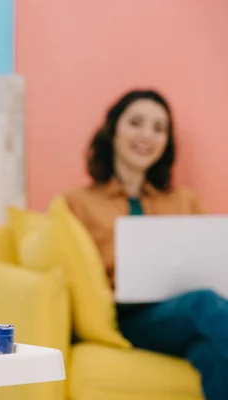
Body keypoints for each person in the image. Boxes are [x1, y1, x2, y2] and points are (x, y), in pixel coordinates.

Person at [64, 89, 227, 399]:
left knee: (210, 353)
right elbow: (74, 274)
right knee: (204, 303)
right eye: (136, 122)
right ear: (113, 130)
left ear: (166, 142)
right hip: (131, 318)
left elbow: (214, 260)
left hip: (186, 314)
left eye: (159, 128)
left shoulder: (184, 201)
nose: (147, 135)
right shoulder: (78, 203)